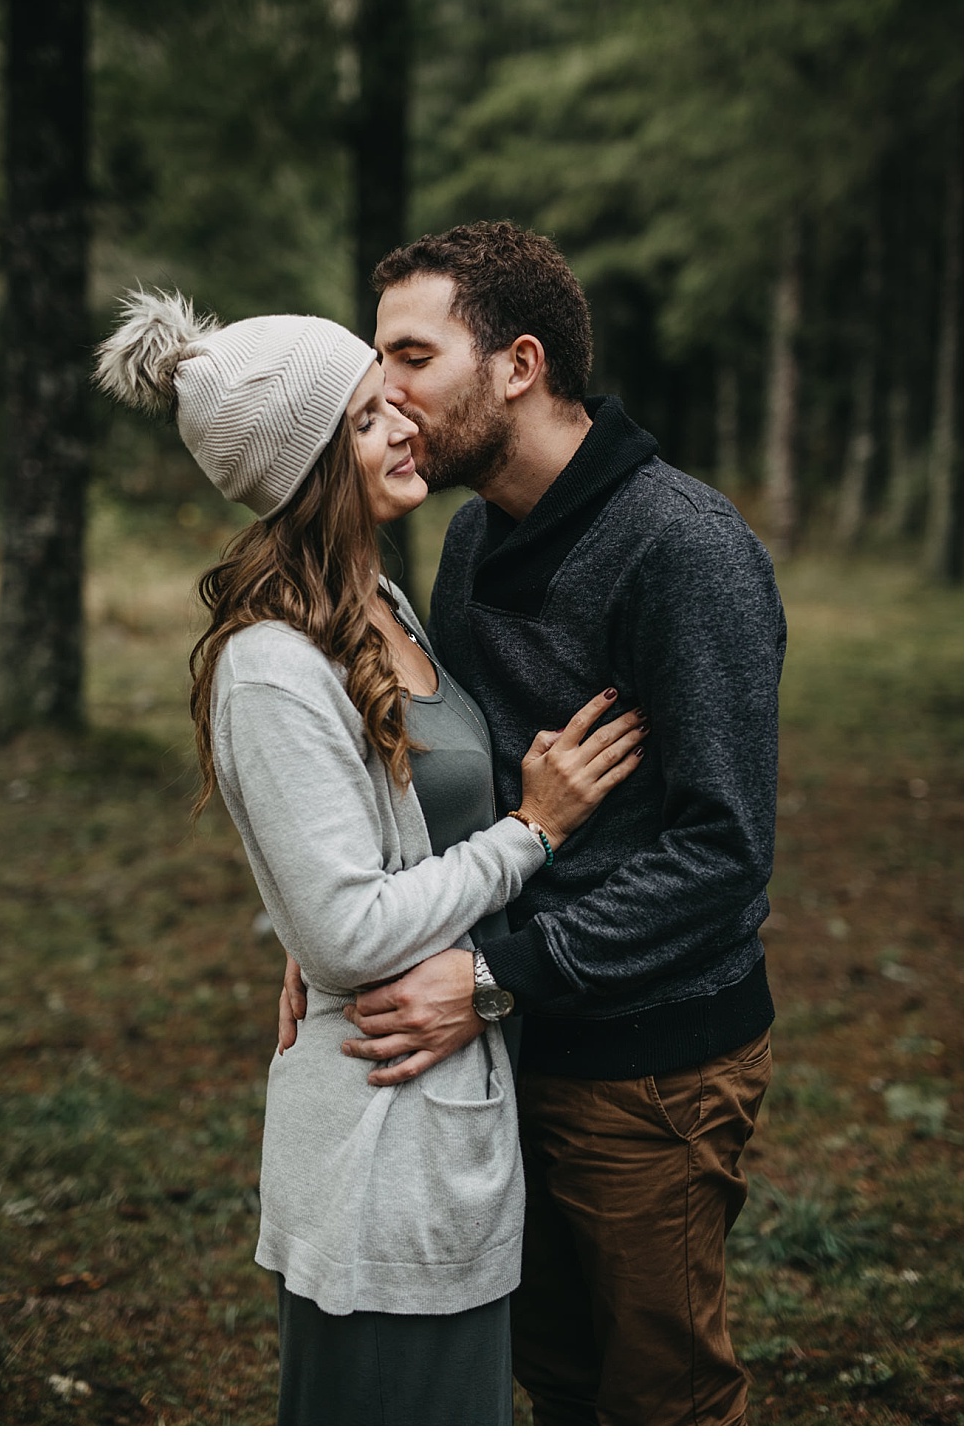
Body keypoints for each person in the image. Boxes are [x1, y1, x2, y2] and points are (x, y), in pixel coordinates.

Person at [95, 290, 647, 1423]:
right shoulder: (270, 664)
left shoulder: (383, 602)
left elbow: (363, 883)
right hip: (374, 1143)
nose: (399, 418)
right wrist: (532, 828)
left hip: (447, 1122)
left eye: (382, 396)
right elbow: (348, 928)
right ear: (300, 470)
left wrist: (361, 926)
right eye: (359, 417)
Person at [282, 221, 786, 1424]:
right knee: (552, 1379)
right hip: (505, 1049)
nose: (382, 392)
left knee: (658, 1390)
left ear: (516, 363)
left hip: (648, 1061)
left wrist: (493, 977)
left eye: (409, 356)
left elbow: (720, 855)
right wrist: (320, 937)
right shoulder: (468, 539)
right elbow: (453, 786)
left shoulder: (682, 549)